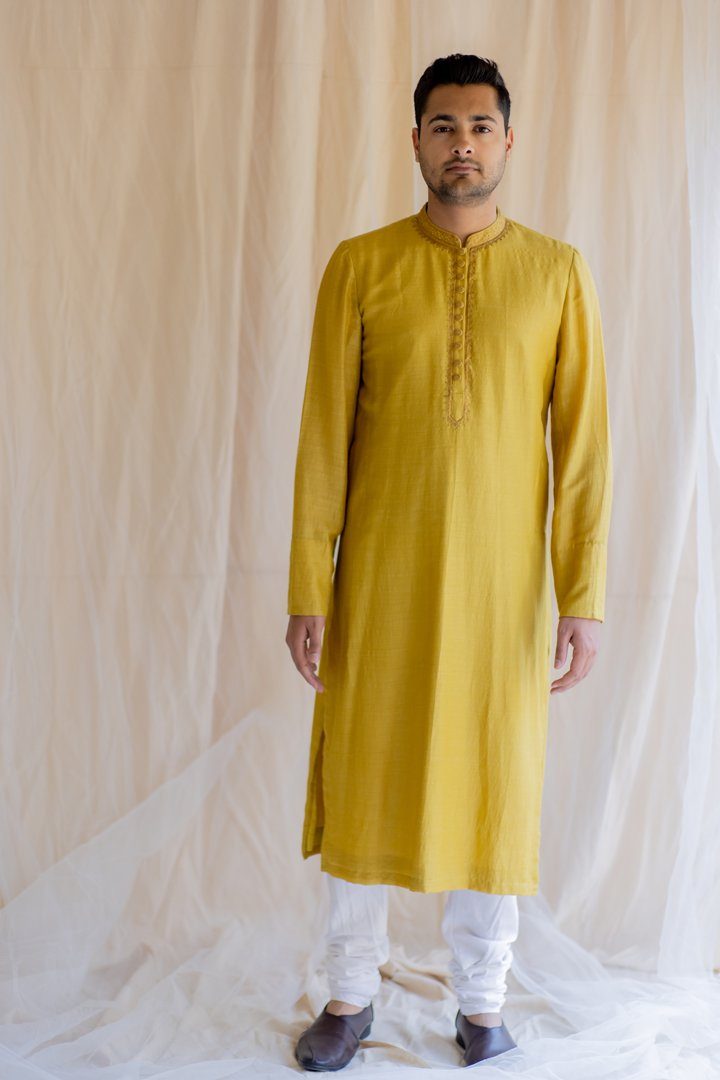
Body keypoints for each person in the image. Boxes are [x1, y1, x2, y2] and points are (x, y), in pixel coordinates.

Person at [285, 52, 613, 1071]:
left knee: (492, 783)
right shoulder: (361, 266)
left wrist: (583, 595)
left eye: (478, 126)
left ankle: (482, 1001)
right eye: (443, 126)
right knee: (365, 770)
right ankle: (350, 995)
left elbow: (583, 452)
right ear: (417, 141)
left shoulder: (557, 273)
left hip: (502, 594)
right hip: (378, 586)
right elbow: (322, 440)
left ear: (508, 140)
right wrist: (309, 589)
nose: (461, 144)